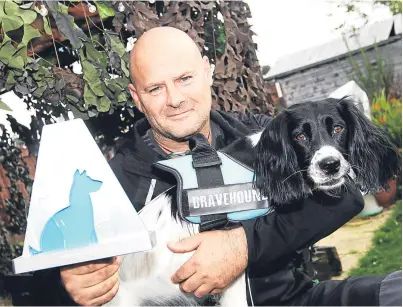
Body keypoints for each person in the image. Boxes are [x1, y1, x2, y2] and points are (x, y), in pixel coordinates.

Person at [30, 27, 400, 306]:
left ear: (207, 72)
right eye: (155, 88)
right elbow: (45, 281)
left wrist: (242, 246)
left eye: (185, 79)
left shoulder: (261, 133)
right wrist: (70, 284)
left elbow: (346, 192)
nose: (174, 99)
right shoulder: (115, 182)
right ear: (136, 97)